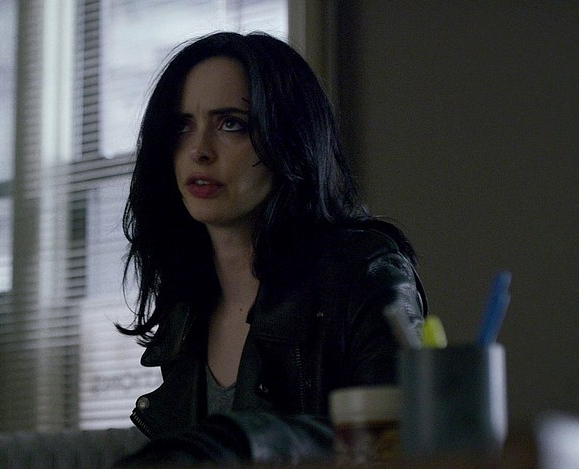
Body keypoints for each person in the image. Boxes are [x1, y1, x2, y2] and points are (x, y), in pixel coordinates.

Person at [115, 31, 426, 466]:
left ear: (290, 138)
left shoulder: (362, 271)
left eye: (231, 124)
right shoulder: (187, 307)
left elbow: (398, 439)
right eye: (182, 126)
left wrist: (238, 444)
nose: (199, 151)